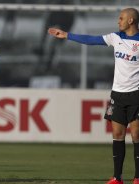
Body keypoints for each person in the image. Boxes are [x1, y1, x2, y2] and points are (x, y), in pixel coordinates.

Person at [48, 8, 139, 184]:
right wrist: (67, 35)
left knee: (136, 135)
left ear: (131, 21)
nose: (117, 21)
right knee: (117, 134)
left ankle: (137, 178)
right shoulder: (116, 37)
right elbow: (92, 40)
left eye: (121, 18)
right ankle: (117, 177)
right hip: (118, 95)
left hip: (136, 95)